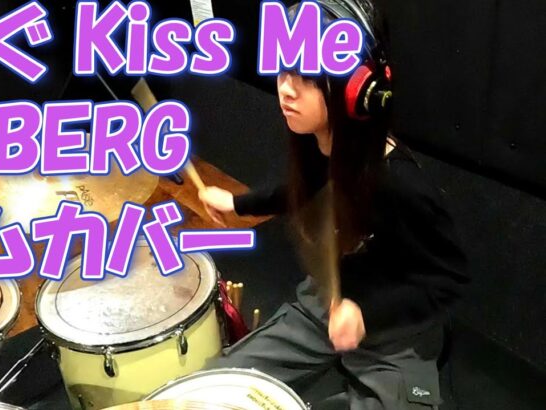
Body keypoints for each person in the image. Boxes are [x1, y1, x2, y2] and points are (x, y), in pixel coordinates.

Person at [198, 1, 469, 409]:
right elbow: (306, 190)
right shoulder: (319, 145)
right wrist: (239, 203)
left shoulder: (400, 183)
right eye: (283, 70)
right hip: (328, 304)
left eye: (306, 78)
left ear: (355, 91)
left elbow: (447, 278)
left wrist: (365, 315)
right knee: (215, 389)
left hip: (395, 334)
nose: (286, 89)